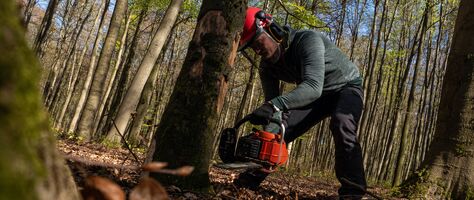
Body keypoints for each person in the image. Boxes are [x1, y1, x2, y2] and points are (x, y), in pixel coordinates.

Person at [234, 7, 367, 199]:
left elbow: (312, 87)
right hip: (319, 96)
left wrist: (273, 106)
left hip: (346, 86)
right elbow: (274, 108)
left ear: (272, 29)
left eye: (257, 42)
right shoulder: (267, 67)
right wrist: (269, 119)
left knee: (342, 123)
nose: (257, 50)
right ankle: (250, 179)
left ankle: (353, 191)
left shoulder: (307, 40)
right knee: (280, 128)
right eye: (251, 48)